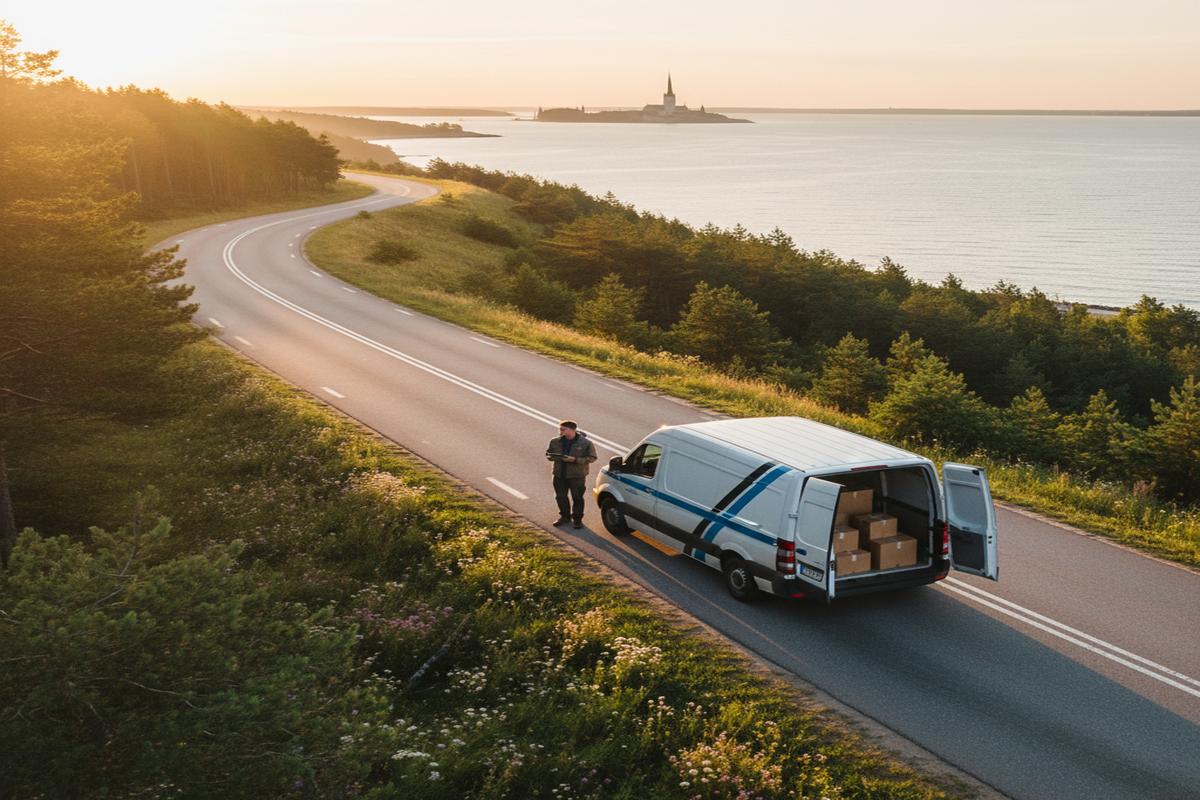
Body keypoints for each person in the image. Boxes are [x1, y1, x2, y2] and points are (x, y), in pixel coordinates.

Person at [545, 420, 597, 529]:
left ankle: (577, 520)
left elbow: (592, 458)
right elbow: (548, 453)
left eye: (563, 429)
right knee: (560, 497)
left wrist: (575, 459)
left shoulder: (585, 443)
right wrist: (552, 456)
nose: (560, 431)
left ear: (572, 430)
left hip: (577, 476)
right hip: (559, 475)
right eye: (560, 429)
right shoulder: (555, 441)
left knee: (577, 498)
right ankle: (565, 516)